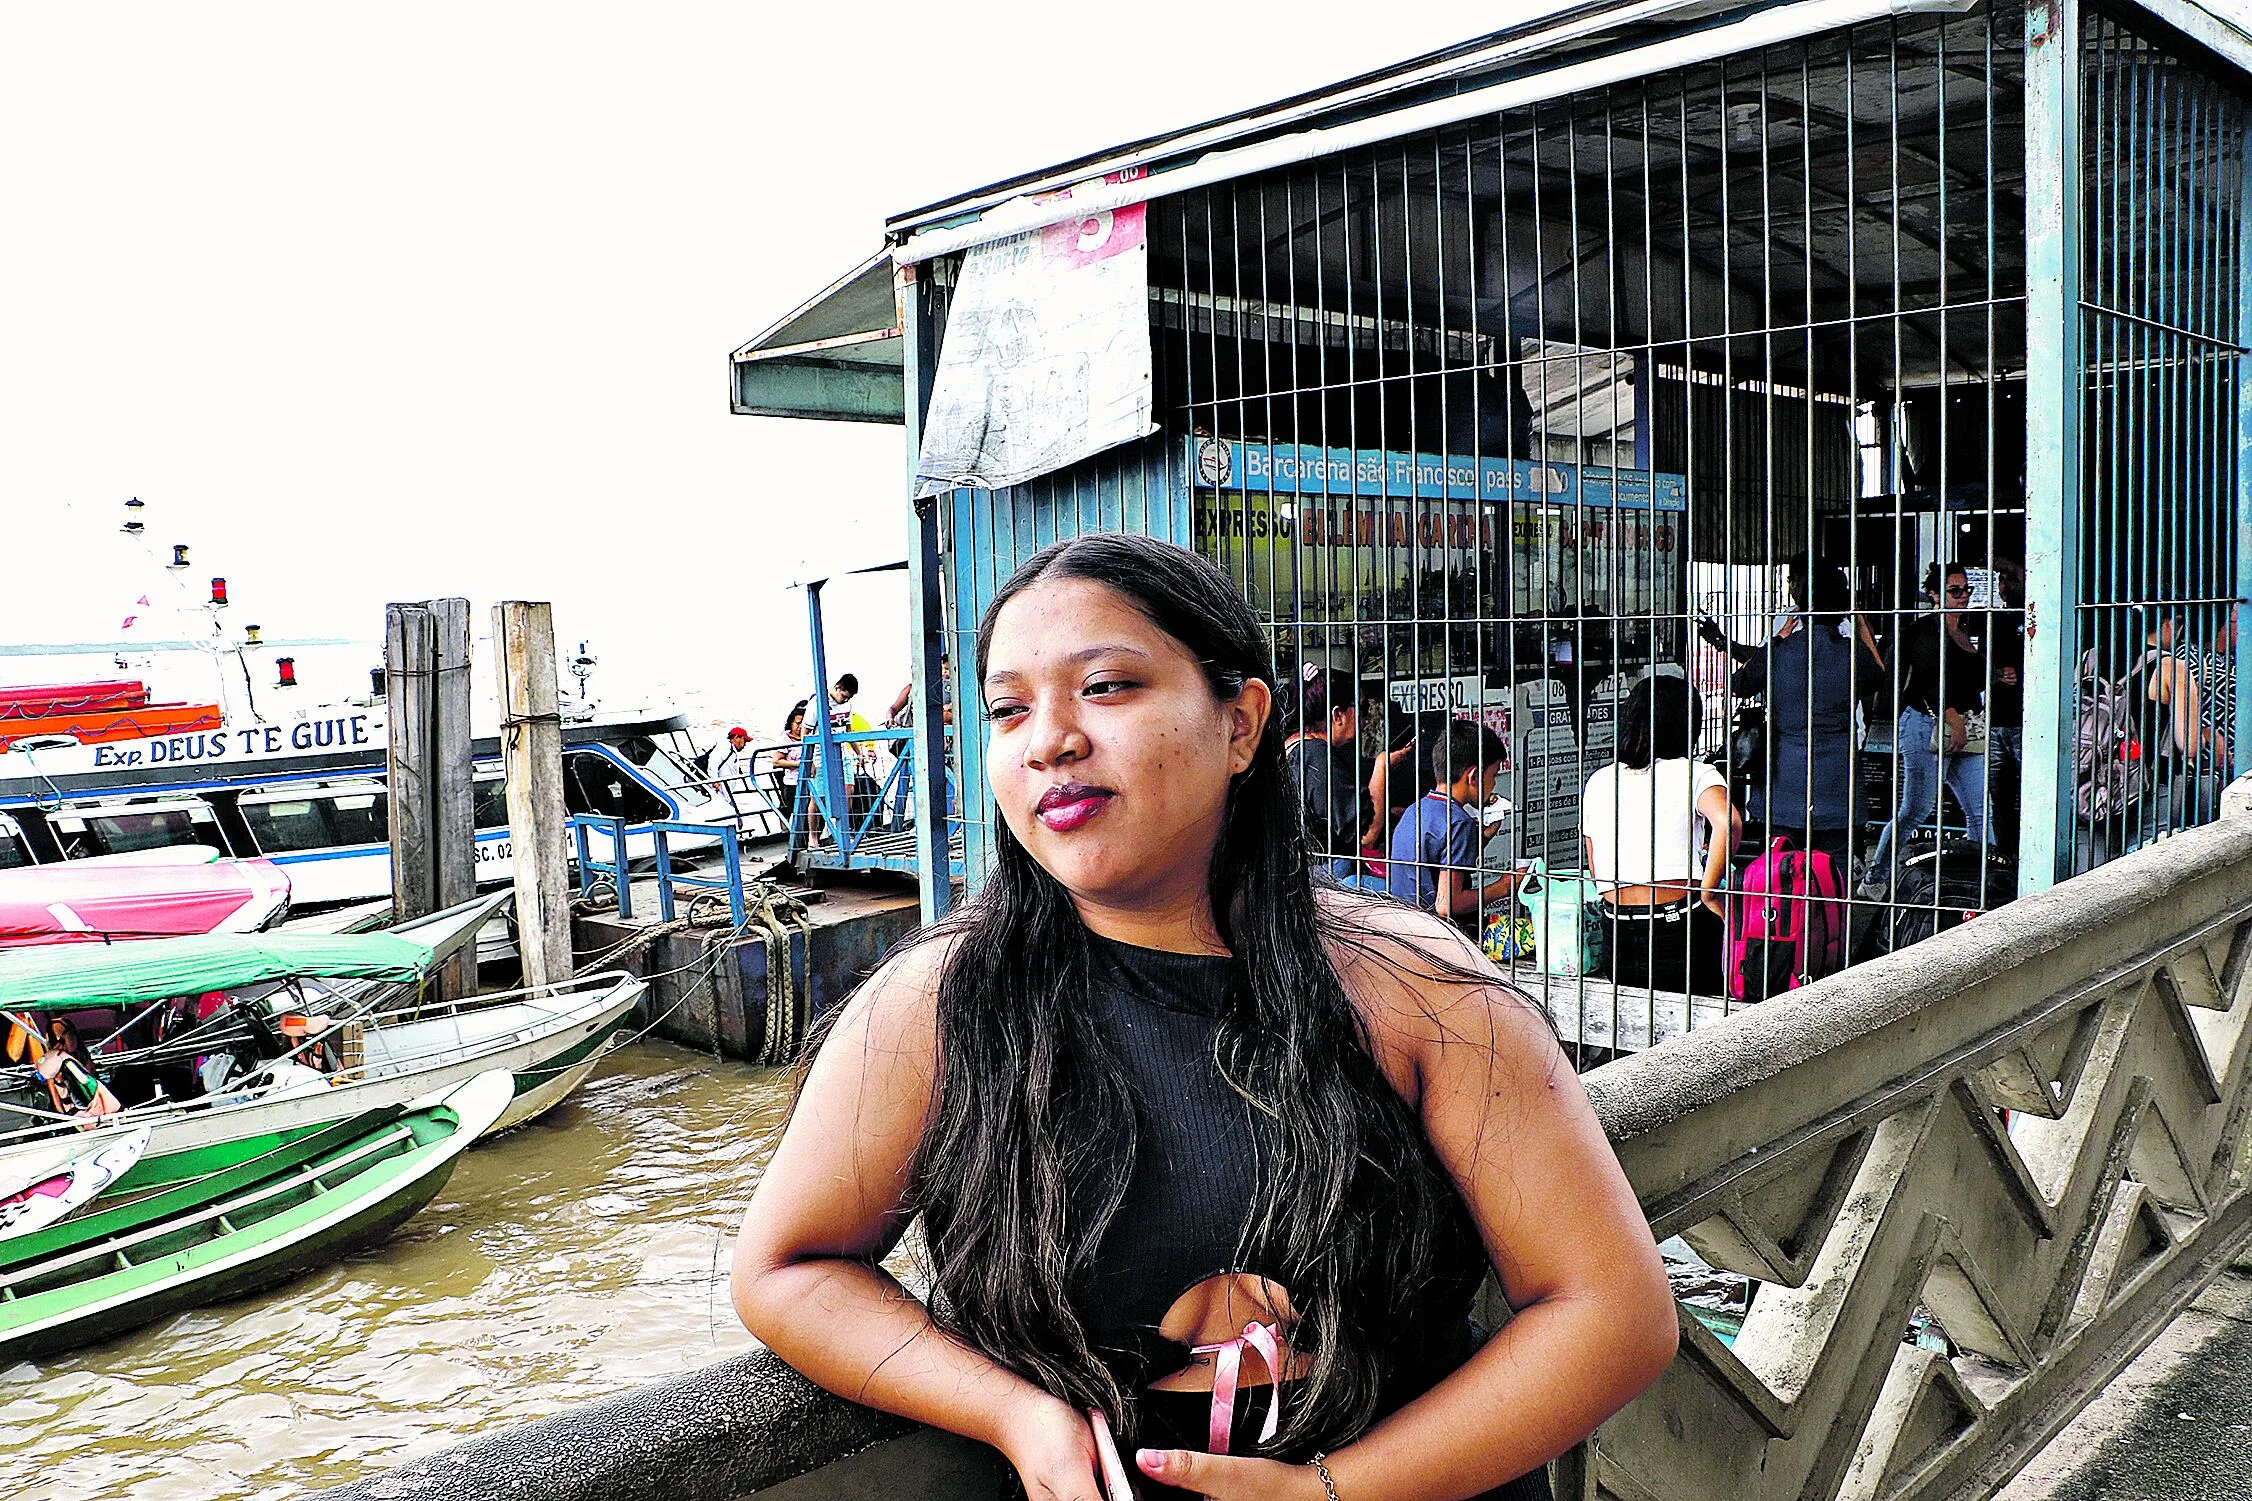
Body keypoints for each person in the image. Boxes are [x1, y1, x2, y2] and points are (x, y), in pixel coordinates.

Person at [732, 533, 1675, 1501]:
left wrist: (1331, 1490)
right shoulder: (939, 1001)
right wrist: (1009, 1409)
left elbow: (1607, 1311)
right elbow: (787, 1268)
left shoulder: (1414, 985)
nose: (1047, 738)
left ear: (1240, 723)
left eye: (1104, 686)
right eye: (1007, 708)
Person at [1700, 555, 1859, 876]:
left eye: (1794, 580)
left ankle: (1786, 923)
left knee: (1783, 867)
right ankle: (1834, 922)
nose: (1790, 586)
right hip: (1836, 777)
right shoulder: (1848, 647)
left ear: (1802, 590)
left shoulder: (1791, 640)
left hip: (1786, 777)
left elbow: (1746, 678)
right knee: (1834, 869)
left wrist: (1776, 643)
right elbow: (1879, 677)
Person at [1582, 675, 1740, 996]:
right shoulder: (1694, 772)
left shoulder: (1600, 780)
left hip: (1617, 931)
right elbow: (1729, 822)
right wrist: (1709, 892)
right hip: (1679, 926)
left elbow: (1597, 869)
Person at [1860, 561, 1989, 897]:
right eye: (1954, 591)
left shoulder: (1964, 629)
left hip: (1966, 723)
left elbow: (1968, 679)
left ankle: (1983, 881)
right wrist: (1953, 718)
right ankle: (1875, 877)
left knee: (1979, 809)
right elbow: (1929, 680)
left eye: (1966, 590)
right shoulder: (1925, 631)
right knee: (1915, 810)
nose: (1963, 597)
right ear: (1934, 594)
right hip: (1928, 723)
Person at [1384, 719, 1521, 927]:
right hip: (1438, 937)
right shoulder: (1458, 823)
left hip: (1404, 927)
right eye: (1493, 776)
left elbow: (1438, 864)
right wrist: (1504, 886)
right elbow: (1447, 904)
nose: (1494, 784)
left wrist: (1483, 838)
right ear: (1474, 776)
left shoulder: (1416, 810)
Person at [2153, 610, 2237, 828]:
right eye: (2239, 619)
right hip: (2203, 769)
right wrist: (2207, 733)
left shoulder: (2229, 660)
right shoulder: (2190, 657)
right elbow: (2183, 708)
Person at [1283, 663, 1367, 877]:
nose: (1365, 721)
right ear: (1337, 714)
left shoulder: (1293, 746)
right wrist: (1384, 768)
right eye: (1362, 709)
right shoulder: (1317, 755)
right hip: (1321, 875)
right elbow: (1364, 833)